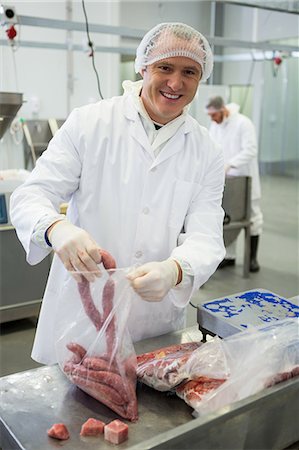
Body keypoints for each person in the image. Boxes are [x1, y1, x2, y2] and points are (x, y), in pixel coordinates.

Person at [10, 22, 225, 366]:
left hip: (154, 322)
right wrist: (55, 228)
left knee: (150, 412)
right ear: (143, 67)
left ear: (201, 78)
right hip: (81, 315)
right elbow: (30, 195)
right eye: (164, 67)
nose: (175, 83)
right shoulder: (90, 123)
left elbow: (207, 236)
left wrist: (176, 270)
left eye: (190, 72)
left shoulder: (206, 151)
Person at [206, 95, 263, 272]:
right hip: (224, 179)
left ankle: (252, 258)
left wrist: (231, 164)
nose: (212, 119)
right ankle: (229, 256)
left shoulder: (243, 123)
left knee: (252, 216)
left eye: (214, 115)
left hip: (244, 179)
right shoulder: (215, 125)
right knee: (227, 216)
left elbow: (251, 150)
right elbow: (210, 146)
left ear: (223, 110)